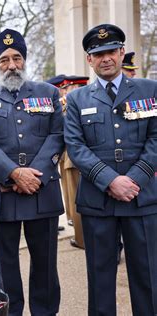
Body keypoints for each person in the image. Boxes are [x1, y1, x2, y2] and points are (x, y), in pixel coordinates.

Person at [64, 23, 157, 315]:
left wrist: (134, 179)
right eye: (97, 53)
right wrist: (111, 181)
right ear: (89, 60)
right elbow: (75, 147)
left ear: (121, 52)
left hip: (141, 198)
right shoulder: (78, 99)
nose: (106, 58)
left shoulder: (149, 89)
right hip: (97, 200)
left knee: (148, 277)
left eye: (111, 51)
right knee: (100, 278)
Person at [0, 28, 64, 316]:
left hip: (42, 188)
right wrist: (14, 172)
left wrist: (33, 174)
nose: (12, 65)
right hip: (3, 191)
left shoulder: (48, 93)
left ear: (25, 59)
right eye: (4, 59)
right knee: (5, 265)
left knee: (46, 265)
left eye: (17, 57)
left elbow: (58, 135)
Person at [47, 74, 89, 249]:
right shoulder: (70, 103)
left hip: (74, 158)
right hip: (71, 157)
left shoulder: (72, 103)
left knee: (78, 200)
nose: (65, 91)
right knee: (76, 200)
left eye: (68, 87)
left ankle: (82, 239)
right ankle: (83, 238)